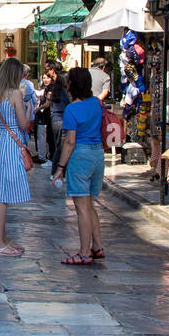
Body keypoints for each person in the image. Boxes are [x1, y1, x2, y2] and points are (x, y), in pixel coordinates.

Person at [53, 65, 105, 265]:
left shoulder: (72, 109)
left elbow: (70, 141)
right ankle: (97, 246)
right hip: (97, 154)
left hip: (80, 156)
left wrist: (60, 167)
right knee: (90, 204)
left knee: (81, 208)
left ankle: (84, 253)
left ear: (72, 85)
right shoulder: (96, 103)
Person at [0, 56, 31, 256]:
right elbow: (23, 124)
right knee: (2, 194)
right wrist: (27, 109)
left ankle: (1, 237)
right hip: (11, 144)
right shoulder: (15, 94)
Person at [49, 70, 71, 174]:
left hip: (55, 120)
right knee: (62, 147)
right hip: (63, 119)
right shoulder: (64, 91)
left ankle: (55, 170)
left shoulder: (55, 90)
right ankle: (58, 171)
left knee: (58, 146)